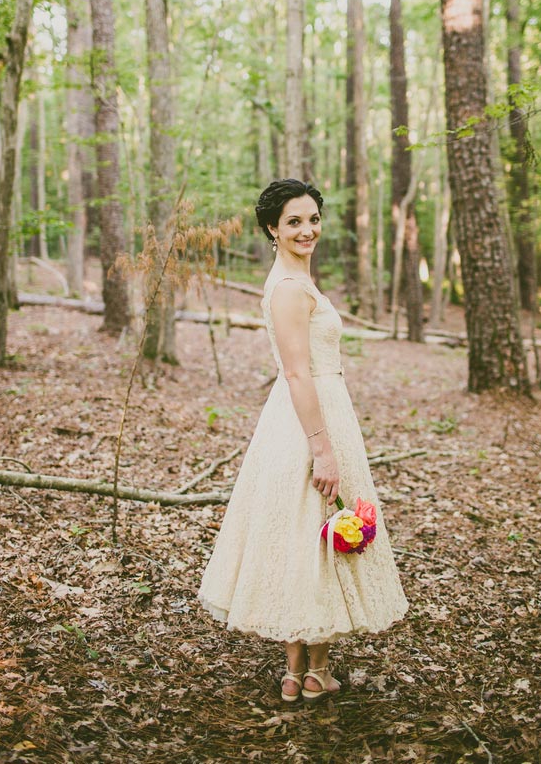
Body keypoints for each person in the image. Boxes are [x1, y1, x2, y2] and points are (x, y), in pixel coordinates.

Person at [198, 178, 408, 701]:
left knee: (310, 535)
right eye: (294, 221)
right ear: (272, 229)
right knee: (307, 534)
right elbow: (296, 373)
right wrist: (322, 447)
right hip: (307, 421)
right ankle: (304, 670)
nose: (307, 229)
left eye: (313, 218)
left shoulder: (297, 280)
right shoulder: (290, 289)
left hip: (323, 412)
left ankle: (307, 671)